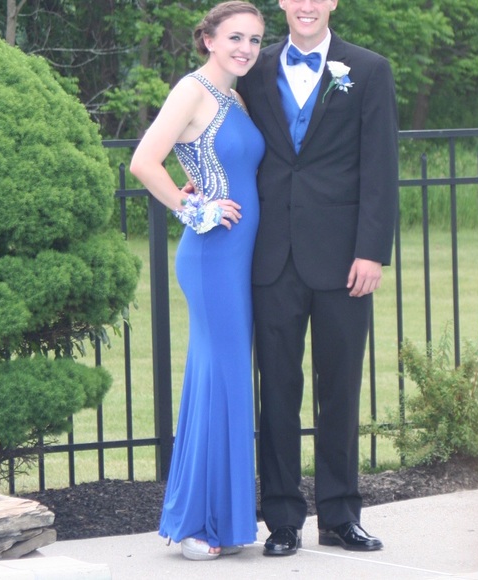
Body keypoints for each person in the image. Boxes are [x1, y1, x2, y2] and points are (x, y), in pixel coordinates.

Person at [237, 0, 398, 556]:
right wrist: (202, 182)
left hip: (344, 259)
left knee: (341, 389)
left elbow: (380, 164)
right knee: (277, 391)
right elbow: (218, 132)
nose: (307, 5)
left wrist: (371, 251)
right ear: (283, 3)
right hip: (271, 256)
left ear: (333, 3)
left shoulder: (370, 70)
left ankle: (340, 515)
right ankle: (282, 519)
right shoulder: (252, 66)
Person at [129, 1, 265, 562]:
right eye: (235, 37)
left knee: (223, 380)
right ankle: (194, 525)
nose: (246, 48)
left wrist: (201, 189)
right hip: (212, 254)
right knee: (222, 379)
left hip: (241, 255)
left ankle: (220, 519)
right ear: (208, 39)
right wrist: (196, 210)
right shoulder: (191, 90)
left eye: (255, 39)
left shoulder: (236, 96)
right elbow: (143, 162)